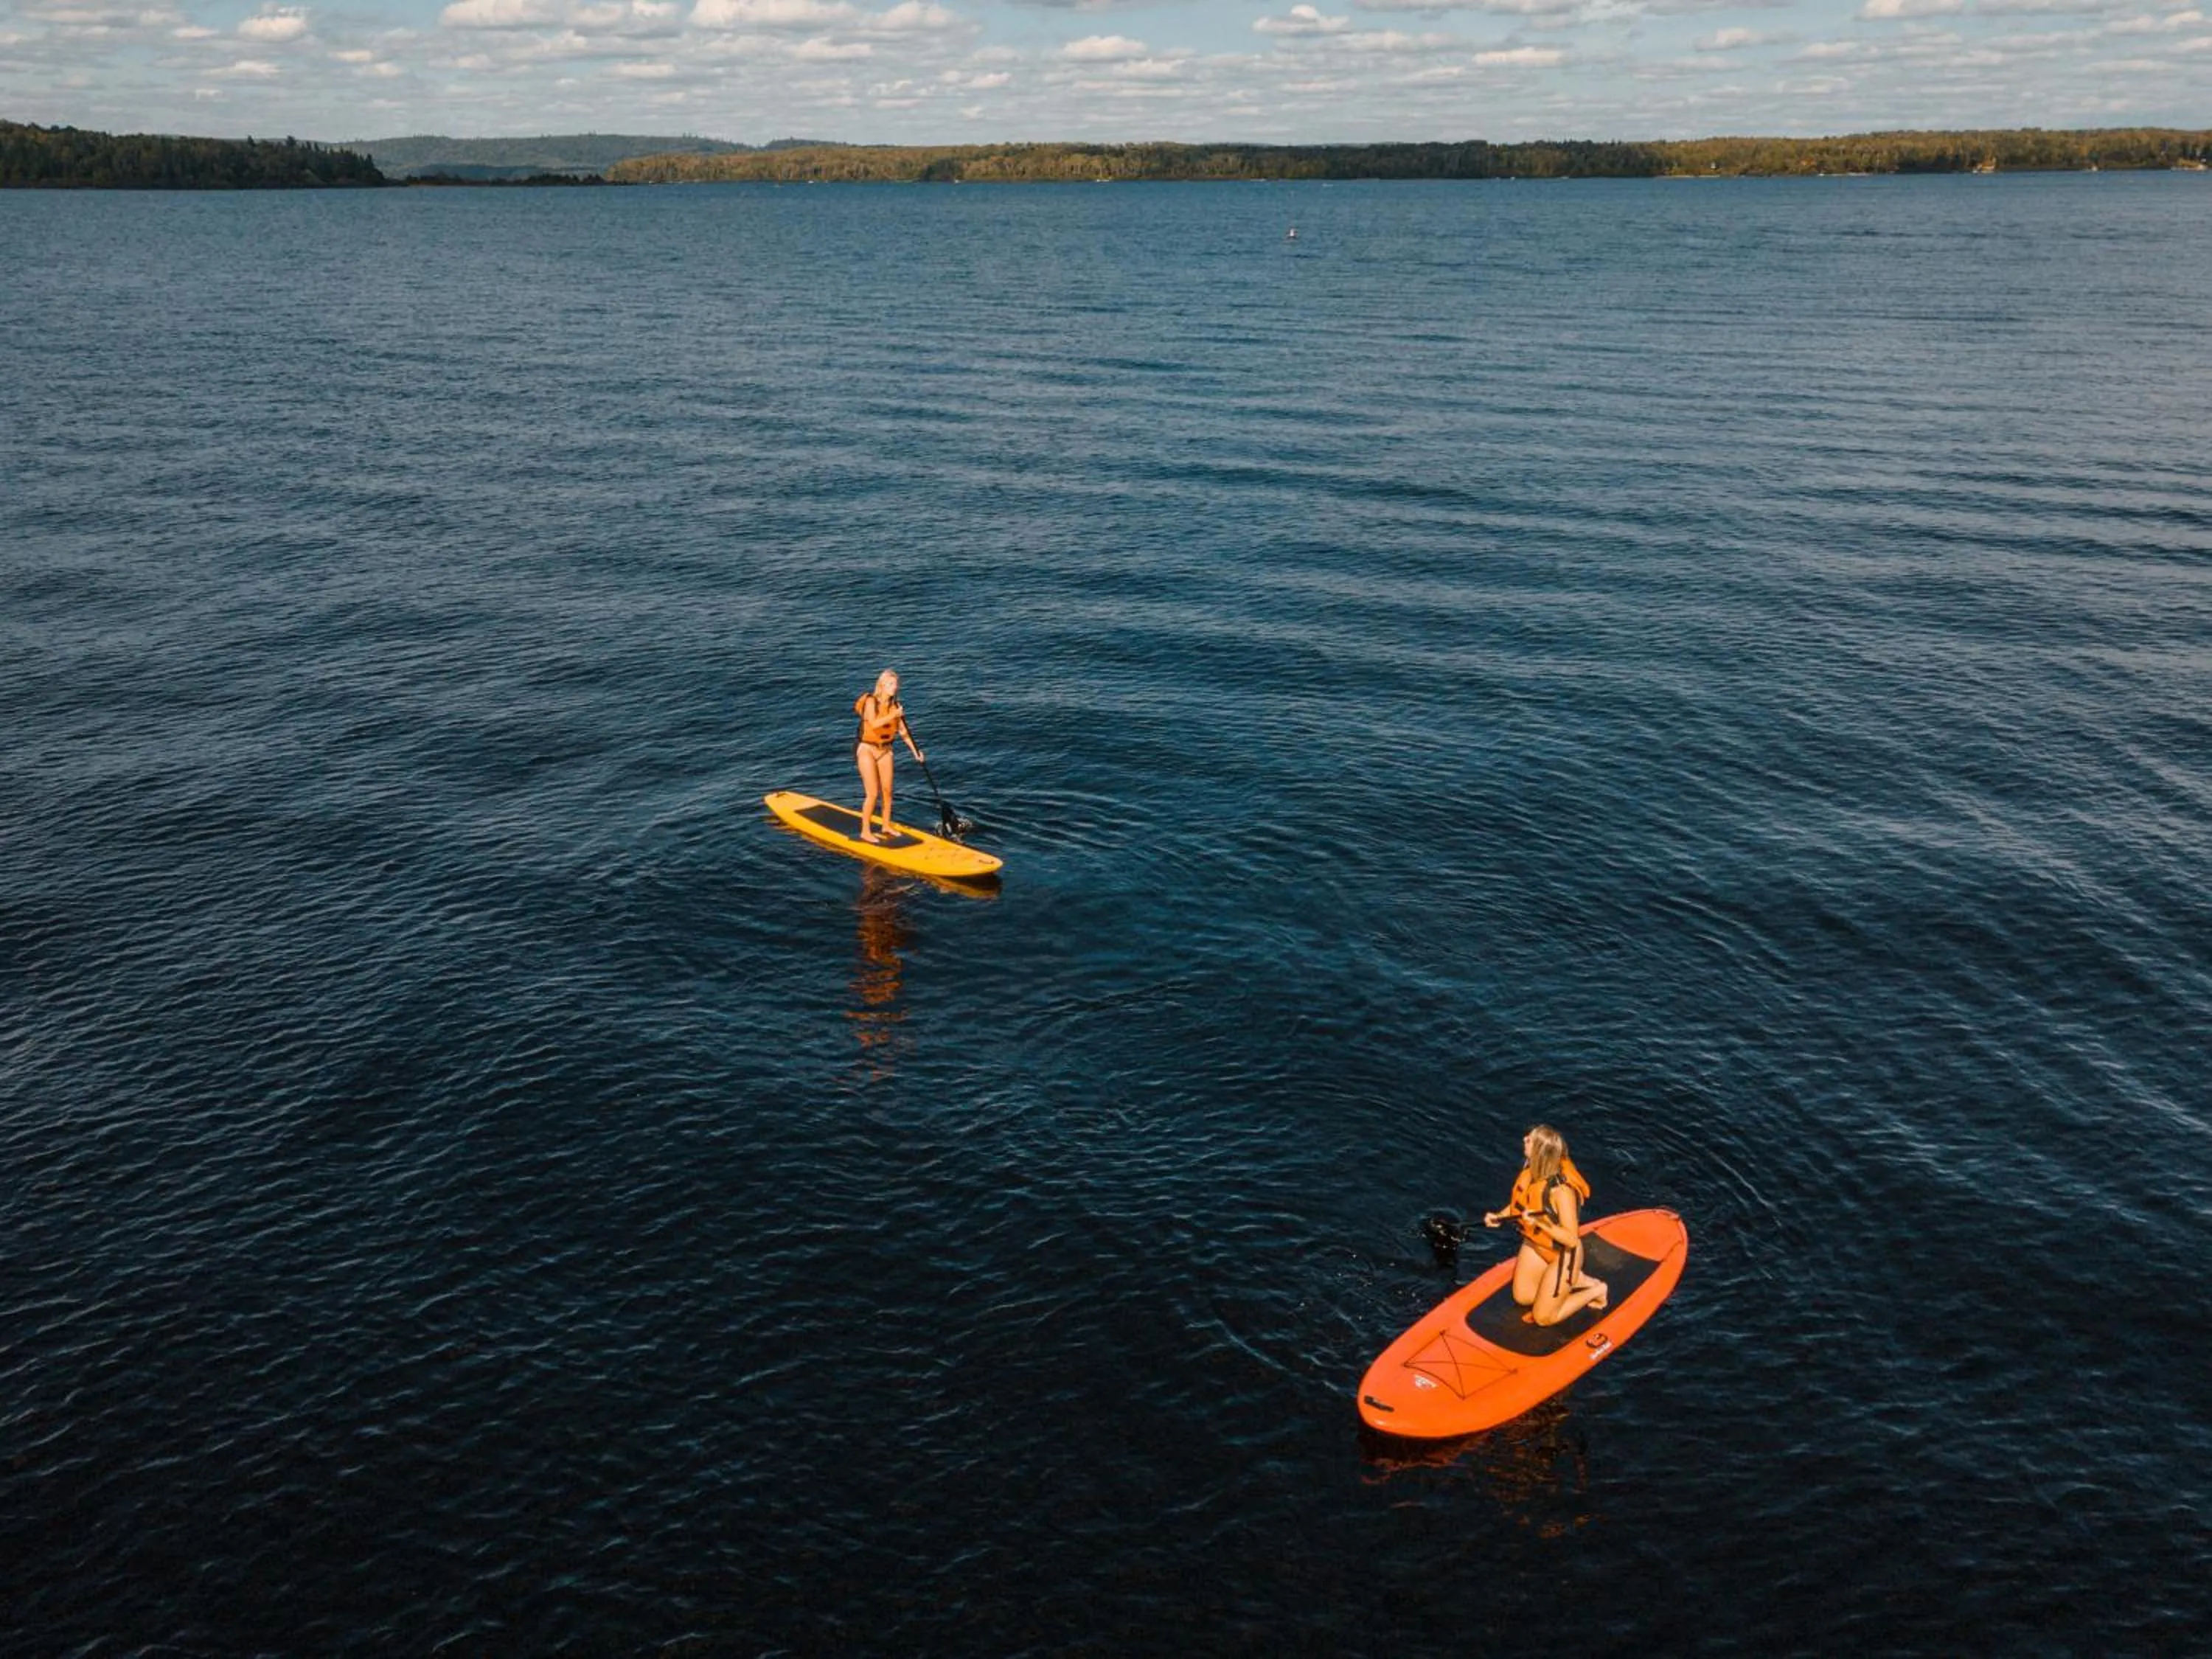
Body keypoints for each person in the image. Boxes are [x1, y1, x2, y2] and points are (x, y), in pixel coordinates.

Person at [1484, 1124, 1607, 1326]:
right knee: (1523, 1297)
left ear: (1540, 1152)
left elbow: (1571, 1239)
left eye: (1530, 1140)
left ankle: (1597, 1290)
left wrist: (1542, 1223)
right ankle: (1577, 1280)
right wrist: (1500, 1216)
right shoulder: (1530, 1172)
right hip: (1536, 1245)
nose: (1524, 1139)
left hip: (1564, 1256)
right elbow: (1521, 1204)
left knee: (1543, 1318)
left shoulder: (1562, 1192)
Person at [853, 669, 925, 844]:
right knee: (873, 793)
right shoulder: (871, 701)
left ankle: (886, 826)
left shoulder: (895, 706)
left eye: (896, 684)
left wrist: (916, 752)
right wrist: (894, 715)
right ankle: (865, 831)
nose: (895, 687)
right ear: (882, 685)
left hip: (885, 750)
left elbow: (903, 732)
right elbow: (873, 723)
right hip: (867, 749)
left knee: (887, 791)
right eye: (890, 684)